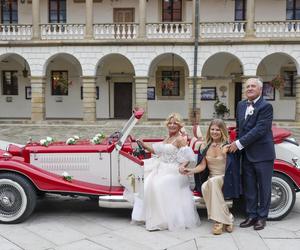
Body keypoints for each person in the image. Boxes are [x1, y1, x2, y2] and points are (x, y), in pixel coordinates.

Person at [131, 113, 200, 231]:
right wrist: (144, 145)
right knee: (144, 180)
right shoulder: (168, 138)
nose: (172, 125)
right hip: (162, 166)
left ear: (179, 126)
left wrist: (182, 166)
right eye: (170, 123)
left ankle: (162, 220)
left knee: (158, 184)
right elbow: (158, 151)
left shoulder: (180, 139)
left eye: (175, 123)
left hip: (174, 170)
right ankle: (147, 215)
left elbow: (188, 157)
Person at [229, 78, 275, 231]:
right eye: (247, 86)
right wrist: (235, 143)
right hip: (246, 154)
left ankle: (262, 217)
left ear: (260, 89)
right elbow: (240, 128)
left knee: (264, 187)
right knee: (249, 187)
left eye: (253, 86)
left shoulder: (266, 106)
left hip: (262, 154)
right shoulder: (241, 105)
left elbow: (260, 130)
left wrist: (238, 144)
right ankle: (251, 215)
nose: (249, 88)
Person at [184, 119, 240, 235]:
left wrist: (225, 154)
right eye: (212, 129)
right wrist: (190, 170)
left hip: (225, 178)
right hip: (212, 179)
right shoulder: (205, 146)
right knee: (205, 186)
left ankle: (218, 222)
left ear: (222, 131)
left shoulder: (227, 146)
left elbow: (232, 168)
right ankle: (228, 218)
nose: (214, 132)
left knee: (212, 182)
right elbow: (202, 166)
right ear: (209, 130)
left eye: (217, 130)